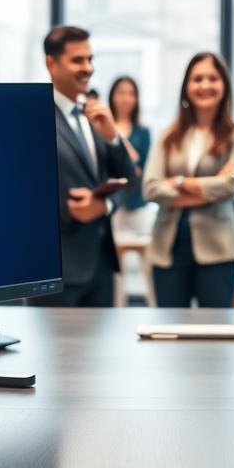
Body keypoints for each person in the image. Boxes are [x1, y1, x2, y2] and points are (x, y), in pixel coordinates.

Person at [30, 25, 135, 308]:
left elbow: (128, 179)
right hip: (56, 271)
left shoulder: (95, 115)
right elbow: (20, 193)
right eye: (78, 60)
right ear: (51, 62)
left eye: (90, 59)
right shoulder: (30, 118)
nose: (88, 68)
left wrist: (113, 137)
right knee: (56, 353)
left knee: (102, 354)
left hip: (101, 265)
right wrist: (71, 210)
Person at [143, 53, 234, 308]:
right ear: (186, 87)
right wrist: (208, 187)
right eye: (197, 78)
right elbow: (149, 188)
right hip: (168, 247)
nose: (205, 85)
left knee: (217, 333)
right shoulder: (167, 135)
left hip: (218, 248)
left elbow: (230, 184)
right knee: (168, 330)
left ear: (224, 85)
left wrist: (176, 182)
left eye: (212, 78)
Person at [108, 76, 155, 306]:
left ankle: (155, 308)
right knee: (116, 271)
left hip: (138, 206)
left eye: (130, 93)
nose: (125, 98)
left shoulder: (143, 132)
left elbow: (139, 168)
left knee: (148, 266)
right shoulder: (102, 128)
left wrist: (118, 141)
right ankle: (117, 308)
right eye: (120, 92)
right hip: (114, 207)